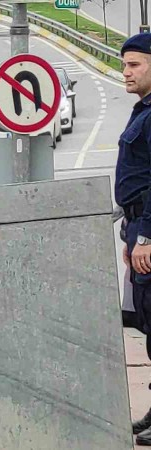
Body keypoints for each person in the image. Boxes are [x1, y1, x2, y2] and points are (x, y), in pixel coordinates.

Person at [116, 33, 151, 447]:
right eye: (125, 65)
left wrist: (146, 235)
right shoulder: (142, 110)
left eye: (135, 65)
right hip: (139, 229)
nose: (126, 72)